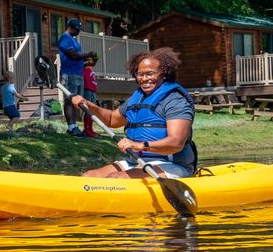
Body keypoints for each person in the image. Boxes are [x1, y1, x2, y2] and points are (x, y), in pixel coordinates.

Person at [71, 47, 197, 179]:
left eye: (150, 74)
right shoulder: (137, 98)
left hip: (171, 164)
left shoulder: (175, 100)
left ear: (164, 74)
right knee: (88, 177)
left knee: (116, 179)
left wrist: (139, 146)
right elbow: (112, 119)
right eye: (140, 74)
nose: (144, 79)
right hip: (136, 161)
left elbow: (176, 142)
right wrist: (89, 104)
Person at [58, 17, 87, 136]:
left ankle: (75, 126)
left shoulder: (73, 39)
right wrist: (87, 54)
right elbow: (73, 55)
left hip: (77, 73)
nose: (78, 31)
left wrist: (87, 61)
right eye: (77, 29)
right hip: (69, 74)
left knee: (76, 101)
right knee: (70, 100)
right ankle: (70, 127)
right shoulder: (65, 38)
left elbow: (77, 57)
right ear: (71, 28)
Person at [81, 51, 99, 138]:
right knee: (87, 110)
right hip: (87, 91)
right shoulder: (83, 68)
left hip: (92, 91)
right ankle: (86, 129)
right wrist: (85, 62)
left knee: (92, 111)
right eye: (89, 61)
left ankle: (90, 129)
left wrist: (95, 59)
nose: (91, 62)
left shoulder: (90, 68)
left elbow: (93, 63)